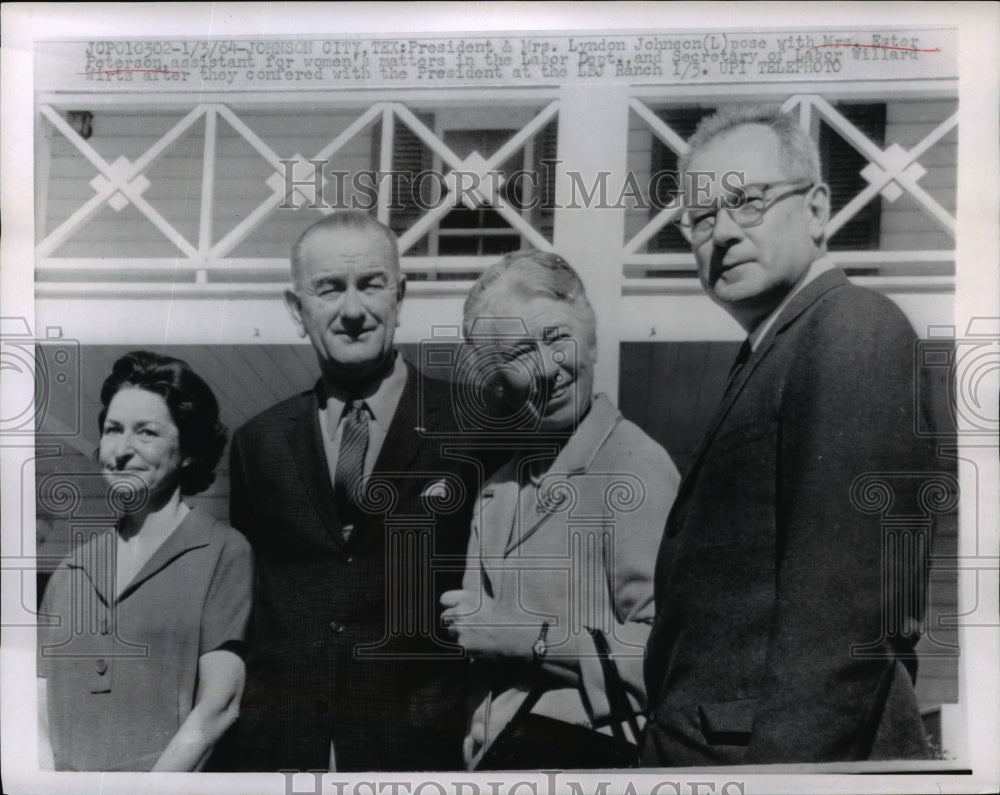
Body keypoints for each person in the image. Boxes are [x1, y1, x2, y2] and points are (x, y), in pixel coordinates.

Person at [642, 105, 944, 765]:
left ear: (816, 209)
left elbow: (843, 625)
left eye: (746, 201)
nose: (721, 232)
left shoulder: (852, 331)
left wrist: (778, 783)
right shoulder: (779, 345)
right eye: (699, 218)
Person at [225, 212, 483, 772]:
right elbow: (252, 607)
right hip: (282, 752)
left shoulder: (469, 427)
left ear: (399, 295)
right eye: (329, 288)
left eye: (371, 284)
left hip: (422, 753)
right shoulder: (257, 444)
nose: (352, 311)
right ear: (297, 310)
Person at [440, 251, 680, 769]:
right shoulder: (499, 490)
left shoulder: (635, 465)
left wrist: (525, 638)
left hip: (587, 760)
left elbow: (669, 651)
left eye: (556, 337)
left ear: (590, 337)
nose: (548, 368)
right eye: (522, 353)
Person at [37, 350, 251, 771]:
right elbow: (37, 706)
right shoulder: (71, 570)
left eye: (146, 432)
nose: (121, 450)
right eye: (113, 430)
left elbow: (219, 706)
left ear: (189, 450)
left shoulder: (222, 552)